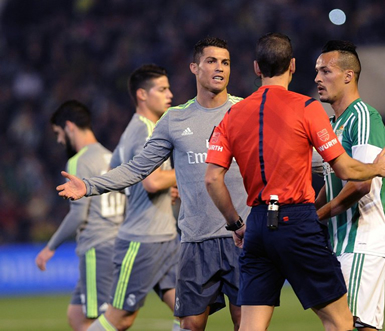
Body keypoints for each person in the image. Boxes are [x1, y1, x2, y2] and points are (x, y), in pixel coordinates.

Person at [204, 32, 385, 331]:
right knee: (342, 322)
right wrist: (377, 167)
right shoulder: (307, 108)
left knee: (250, 327)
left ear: (256, 68)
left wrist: (237, 225)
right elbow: (345, 170)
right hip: (297, 221)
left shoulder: (232, 114)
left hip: (258, 224)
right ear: (292, 66)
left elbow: (212, 179)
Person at [56, 37, 249, 331]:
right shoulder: (174, 119)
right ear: (194, 68)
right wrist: (89, 185)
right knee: (190, 324)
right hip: (194, 242)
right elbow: (137, 169)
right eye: (211, 61)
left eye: (226, 62)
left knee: (245, 323)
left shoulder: (247, 111)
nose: (220, 68)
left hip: (241, 237)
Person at [87, 64, 180, 331]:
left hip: (164, 237)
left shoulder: (134, 130)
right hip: (142, 241)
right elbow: (151, 182)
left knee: (188, 313)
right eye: (162, 89)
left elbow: (117, 170)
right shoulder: (145, 131)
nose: (170, 94)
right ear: (142, 94)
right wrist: (182, 173)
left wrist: (162, 186)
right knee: (121, 318)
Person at [313, 40, 385, 331]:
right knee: (356, 325)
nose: (317, 78)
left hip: (361, 238)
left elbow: (360, 184)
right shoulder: (335, 123)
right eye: (316, 71)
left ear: (348, 75)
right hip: (341, 240)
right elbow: (331, 180)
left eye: (325, 71)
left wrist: (316, 218)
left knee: (349, 324)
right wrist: (312, 209)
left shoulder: (363, 117)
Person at [35, 100, 125, 331]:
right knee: (77, 315)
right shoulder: (111, 156)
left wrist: (50, 247)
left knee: (103, 321)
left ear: (69, 126)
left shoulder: (79, 161)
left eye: (58, 133)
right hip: (115, 242)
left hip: (97, 246)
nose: (59, 140)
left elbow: (78, 215)